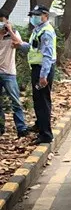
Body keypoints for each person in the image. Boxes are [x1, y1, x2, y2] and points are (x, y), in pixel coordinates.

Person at [12, 5, 57, 145]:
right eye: (33, 15)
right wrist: (20, 45)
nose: (34, 18)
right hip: (38, 69)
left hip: (43, 70)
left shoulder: (46, 32)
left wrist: (43, 76)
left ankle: (46, 135)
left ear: (45, 16)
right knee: (38, 100)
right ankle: (40, 125)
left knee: (42, 102)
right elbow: (34, 48)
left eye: (37, 15)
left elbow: (47, 56)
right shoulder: (38, 30)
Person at [0, 10, 28, 138]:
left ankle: (21, 128)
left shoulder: (13, 33)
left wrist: (10, 31)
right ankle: (1, 127)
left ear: (7, 21)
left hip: (9, 73)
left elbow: (20, 45)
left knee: (15, 101)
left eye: (2, 21)